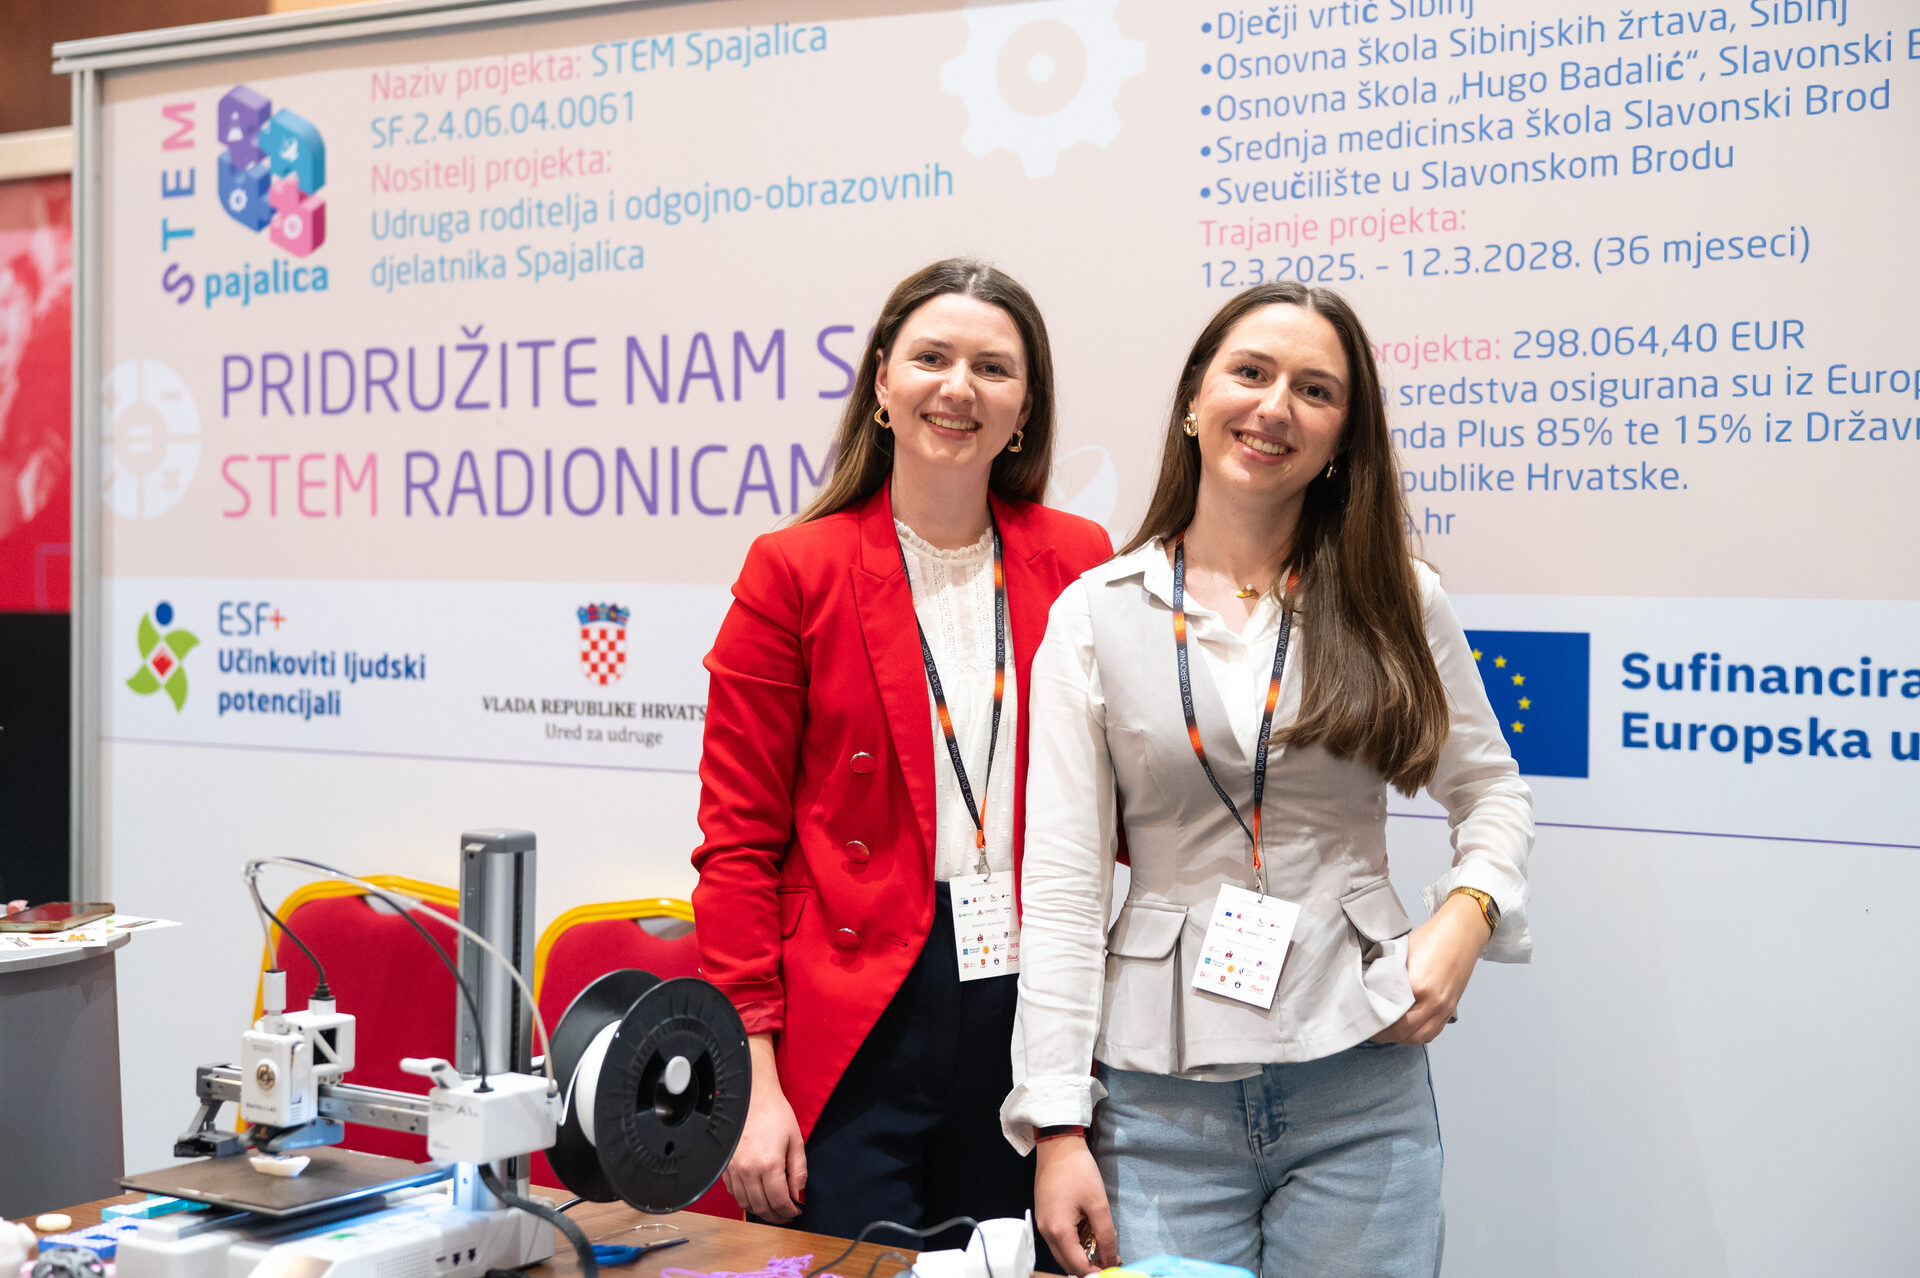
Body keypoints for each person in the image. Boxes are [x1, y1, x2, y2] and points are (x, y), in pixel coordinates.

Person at [1003, 281, 1534, 1277]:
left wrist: (1469, 914)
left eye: (1315, 390)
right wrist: (1058, 1127)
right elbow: (1067, 891)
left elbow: (1492, 790)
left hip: (1360, 1075)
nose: (1275, 406)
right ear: (1192, 401)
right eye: (1250, 372)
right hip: (1160, 1104)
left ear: (1343, 438)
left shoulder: (1396, 596)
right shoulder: (1094, 615)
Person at [692, 258, 1114, 1249]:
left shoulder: (1082, 560)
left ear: (1024, 408)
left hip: (1031, 1004)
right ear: (882, 381)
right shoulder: (794, 571)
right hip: (855, 1019)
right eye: (931, 358)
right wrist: (753, 1084)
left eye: (993, 368)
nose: (958, 388)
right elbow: (738, 847)